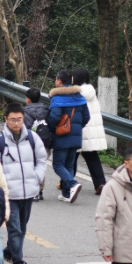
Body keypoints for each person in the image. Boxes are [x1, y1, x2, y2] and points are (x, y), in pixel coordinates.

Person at [0, 103, 47, 264]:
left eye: (19, 119)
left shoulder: (32, 137)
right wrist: (2, 185)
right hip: (9, 194)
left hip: (28, 192)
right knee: (14, 228)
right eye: (13, 120)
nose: (16, 123)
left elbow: (42, 159)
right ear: (6, 119)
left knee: (22, 226)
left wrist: (36, 177)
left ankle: (8, 252)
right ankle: (18, 262)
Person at [48, 69, 90, 203]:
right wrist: (76, 129)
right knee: (69, 165)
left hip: (62, 135)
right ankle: (66, 194)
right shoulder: (79, 96)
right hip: (76, 136)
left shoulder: (57, 98)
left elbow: (54, 117)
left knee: (58, 164)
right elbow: (86, 117)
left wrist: (51, 128)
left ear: (59, 81)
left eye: (56, 79)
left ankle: (72, 184)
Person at [70, 67, 108, 194]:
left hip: (79, 129)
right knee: (92, 157)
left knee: (71, 156)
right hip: (91, 132)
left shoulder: (75, 93)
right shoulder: (91, 92)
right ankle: (100, 184)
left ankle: (67, 182)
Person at [22, 88, 51, 200]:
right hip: (44, 140)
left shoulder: (24, 111)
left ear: (28, 100)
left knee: (30, 164)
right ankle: (40, 190)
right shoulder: (46, 110)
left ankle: (32, 189)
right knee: (41, 163)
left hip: (30, 141)